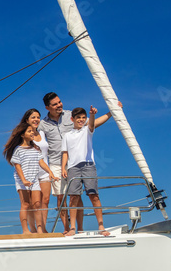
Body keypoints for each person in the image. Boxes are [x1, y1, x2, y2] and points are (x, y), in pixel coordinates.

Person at [61, 106, 113, 236]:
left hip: (88, 165)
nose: (81, 120)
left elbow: (93, 123)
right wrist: (63, 167)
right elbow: (65, 153)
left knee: (93, 195)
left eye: (84, 118)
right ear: (72, 119)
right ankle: (72, 227)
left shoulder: (87, 130)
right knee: (73, 197)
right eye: (78, 118)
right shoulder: (67, 135)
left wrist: (110, 112)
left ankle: (101, 226)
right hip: (73, 167)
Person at [39, 92, 81, 232]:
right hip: (56, 163)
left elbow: (91, 125)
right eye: (55, 104)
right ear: (47, 107)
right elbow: (29, 134)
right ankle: (66, 228)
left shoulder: (71, 115)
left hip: (74, 162)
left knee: (75, 195)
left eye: (59, 102)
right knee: (60, 197)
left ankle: (78, 228)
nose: (59, 105)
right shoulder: (43, 124)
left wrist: (112, 112)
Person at [4, 122, 56, 234]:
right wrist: (23, 180)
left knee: (37, 204)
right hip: (22, 180)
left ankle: (40, 229)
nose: (32, 132)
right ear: (22, 135)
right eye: (29, 131)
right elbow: (17, 166)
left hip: (34, 179)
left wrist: (50, 172)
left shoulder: (35, 149)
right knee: (25, 204)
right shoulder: (18, 149)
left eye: (32, 131)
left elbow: (41, 162)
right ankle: (25, 230)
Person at [24, 109, 52, 229]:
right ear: (27, 120)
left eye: (38, 117)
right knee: (32, 203)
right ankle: (33, 228)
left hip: (44, 170)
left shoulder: (42, 133)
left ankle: (43, 228)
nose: (36, 120)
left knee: (45, 201)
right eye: (33, 117)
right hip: (31, 172)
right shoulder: (25, 135)